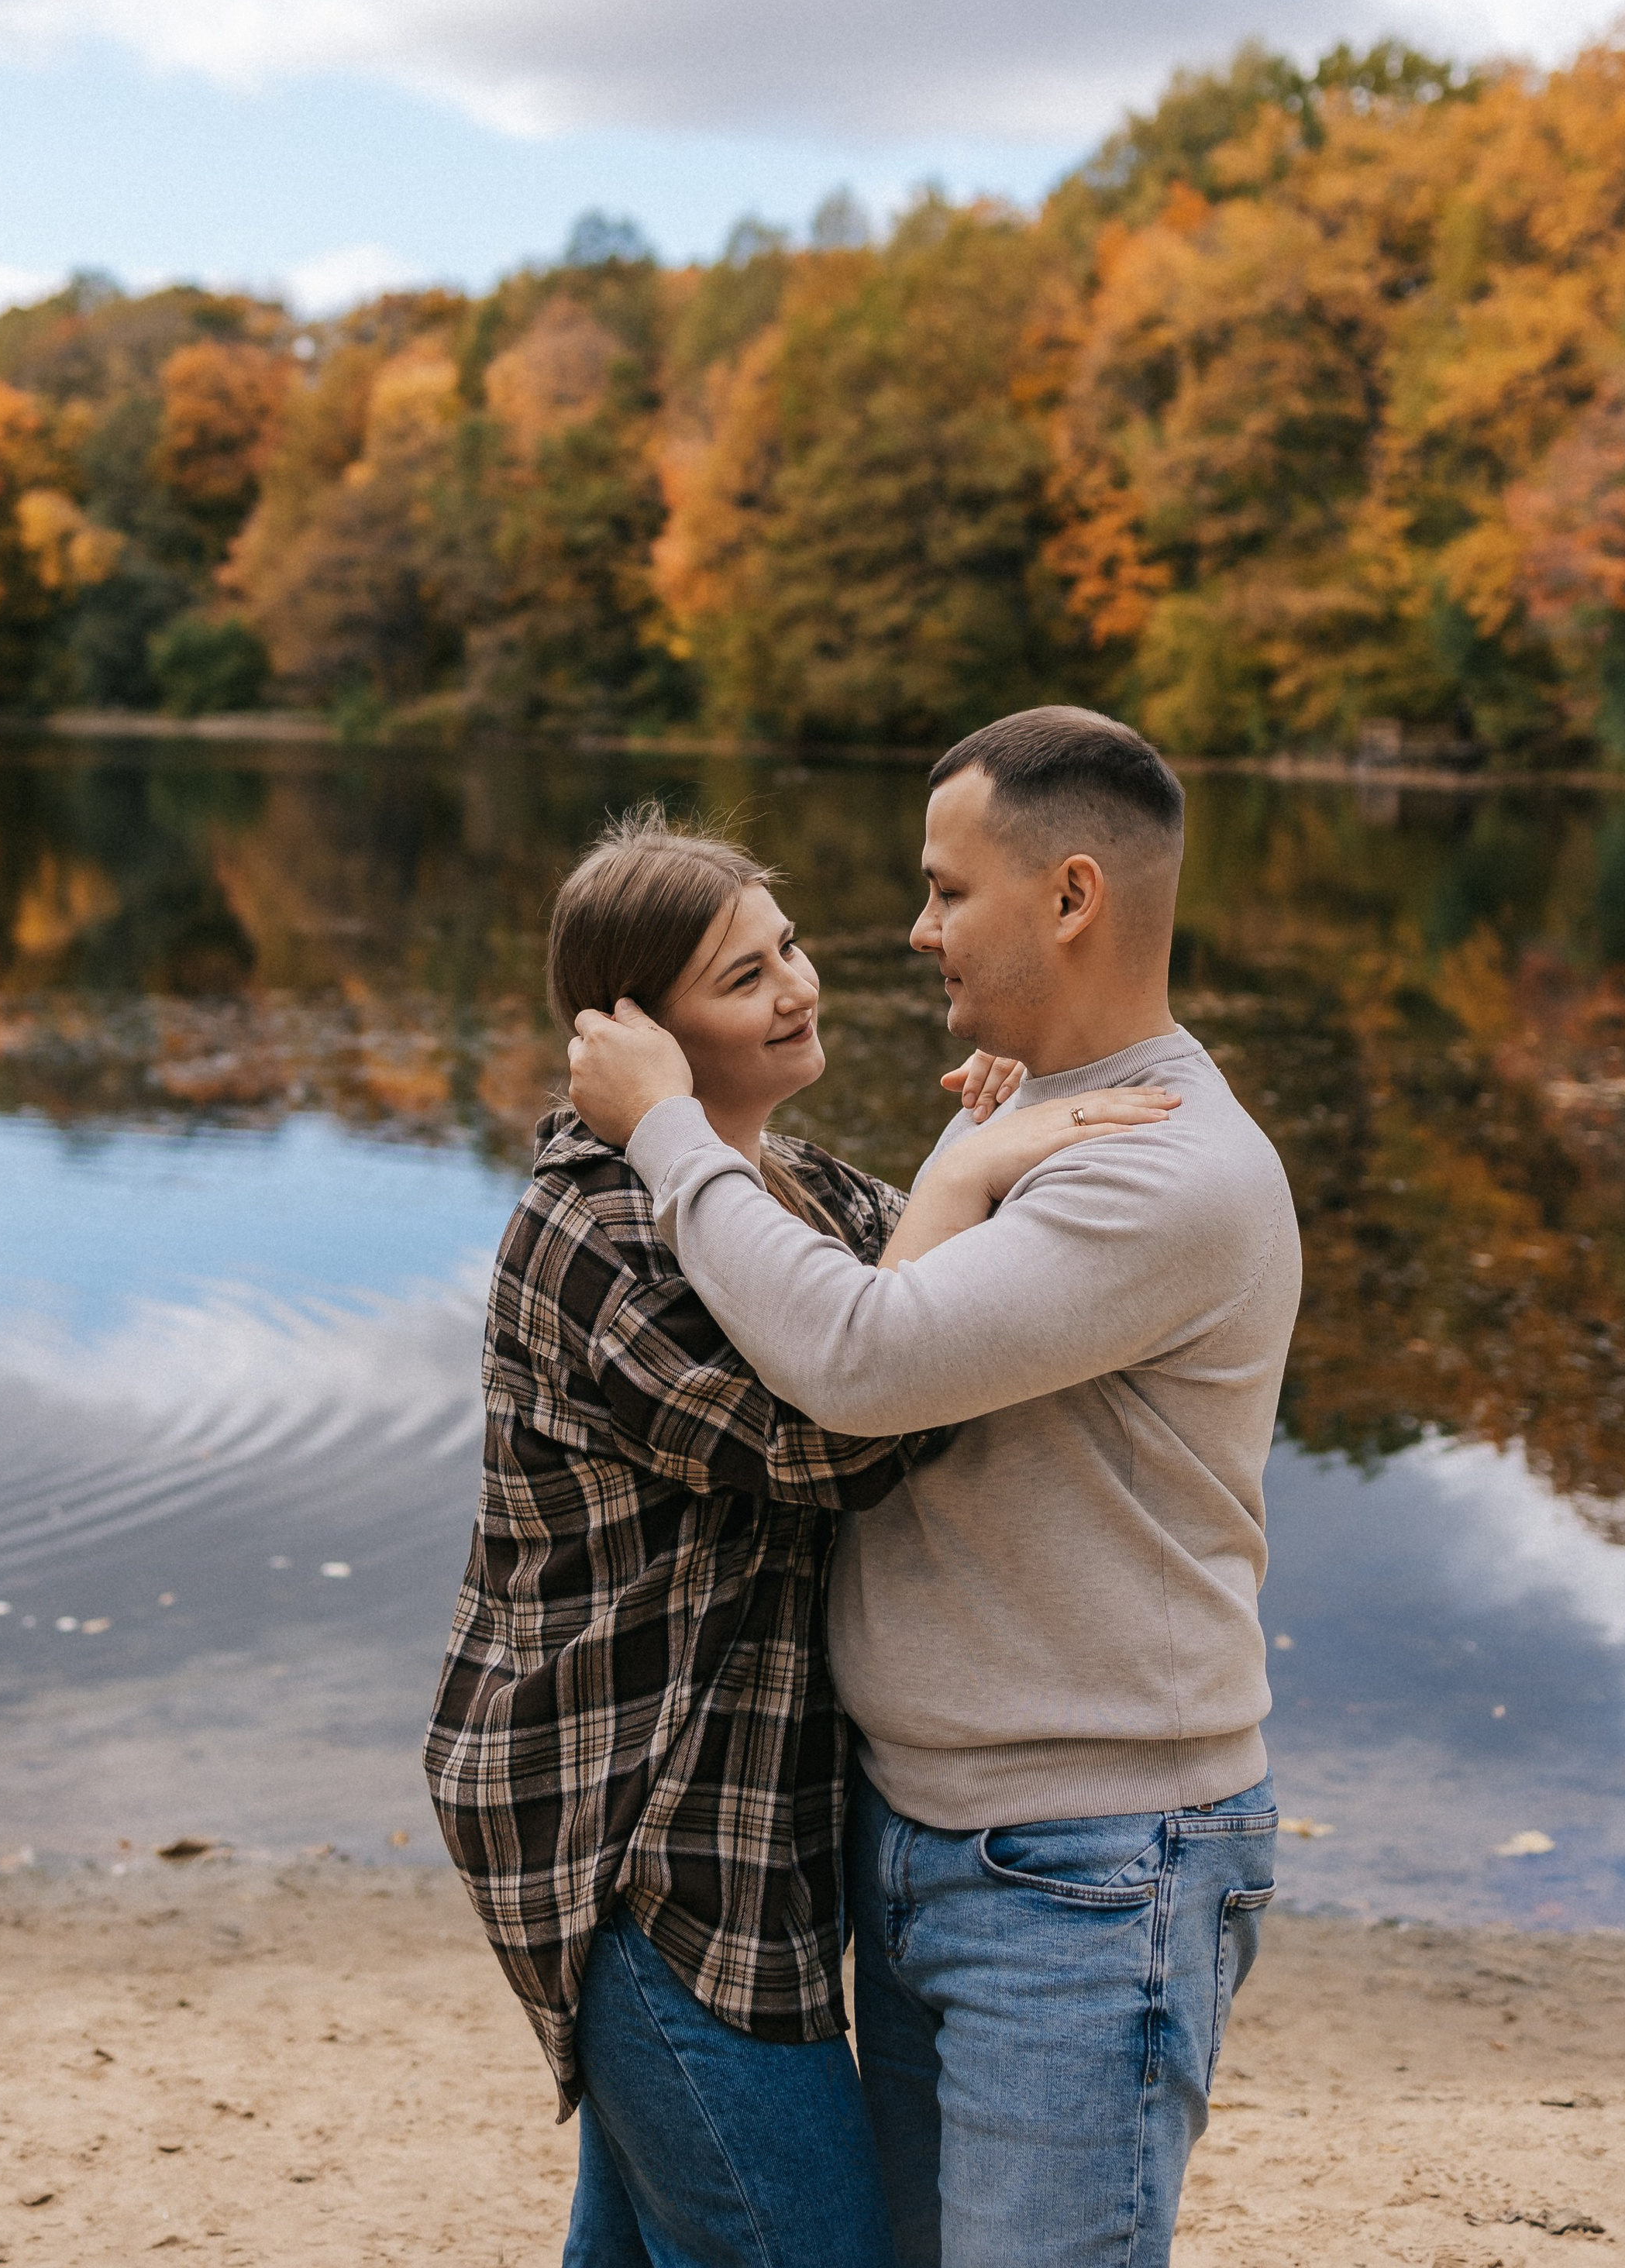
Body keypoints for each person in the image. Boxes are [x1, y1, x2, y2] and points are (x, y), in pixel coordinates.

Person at [567, 710, 1301, 2268]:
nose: (911, 931)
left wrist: (668, 1135)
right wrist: (969, 1160)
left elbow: (852, 1365)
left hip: (1087, 1867)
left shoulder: (1155, 1167)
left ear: (1069, 896)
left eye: (945, 889)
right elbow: (883, 1363)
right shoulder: (1036, 1116)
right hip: (927, 1838)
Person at [425, 805, 1170, 2268]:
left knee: (645, 2244)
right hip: (637, 1830)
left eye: (790, 946)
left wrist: (988, 1135)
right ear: (636, 1036)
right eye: (744, 976)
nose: (800, 984)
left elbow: (914, 1301)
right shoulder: (596, 1232)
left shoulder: (799, 1186)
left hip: (756, 1824)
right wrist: (966, 1174)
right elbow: (840, 1429)